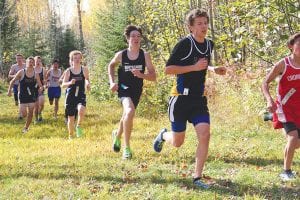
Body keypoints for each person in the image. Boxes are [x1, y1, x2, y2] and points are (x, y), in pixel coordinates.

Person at [152, 9, 226, 189]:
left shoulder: (209, 45)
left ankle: (197, 177)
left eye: (205, 23)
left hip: (198, 99)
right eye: (199, 23)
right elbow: (168, 70)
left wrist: (213, 69)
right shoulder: (184, 44)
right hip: (180, 99)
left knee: (205, 134)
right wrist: (193, 67)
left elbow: (203, 65)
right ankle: (163, 135)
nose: (203, 27)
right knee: (178, 142)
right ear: (191, 27)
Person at [108, 25, 156, 159]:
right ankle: (127, 148)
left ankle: (117, 135)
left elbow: (153, 76)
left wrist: (142, 75)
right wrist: (112, 82)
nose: (136, 38)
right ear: (128, 39)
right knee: (129, 111)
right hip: (123, 88)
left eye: (138, 36)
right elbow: (111, 65)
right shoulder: (121, 55)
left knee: (127, 115)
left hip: (137, 90)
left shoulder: (145, 55)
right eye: (133, 36)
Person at [262, 32, 300, 181]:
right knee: (293, 137)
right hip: (285, 108)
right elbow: (265, 83)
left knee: (296, 143)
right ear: (291, 46)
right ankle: (286, 171)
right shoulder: (283, 64)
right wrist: (269, 100)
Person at [7, 57, 43, 133]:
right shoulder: (21, 72)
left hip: (31, 96)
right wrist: (9, 90)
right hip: (23, 96)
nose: (31, 63)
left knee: (30, 113)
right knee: (24, 114)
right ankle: (24, 119)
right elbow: (12, 81)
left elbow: (40, 84)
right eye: (29, 62)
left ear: (34, 64)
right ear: (26, 63)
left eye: (32, 62)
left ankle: (26, 128)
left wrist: (41, 88)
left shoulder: (36, 74)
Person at [62, 50, 90, 139]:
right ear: (72, 59)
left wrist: (87, 83)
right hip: (70, 96)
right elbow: (63, 85)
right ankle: (71, 135)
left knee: (81, 110)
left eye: (79, 58)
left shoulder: (84, 69)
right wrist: (70, 82)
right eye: (75, 58)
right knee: (71, 118)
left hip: (81, 94)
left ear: (81, 59)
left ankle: (78, 126)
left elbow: (87, 79)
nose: (77, 60)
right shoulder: (68, 71)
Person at [8, 54, 25, 118]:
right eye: (17, 58)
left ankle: (20, 113)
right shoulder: (14, 66)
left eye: (20, 58)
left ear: (22, 59)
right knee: (16, 96)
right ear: (16, 59)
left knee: (21, 98)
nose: (19, 60)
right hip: (15, 84)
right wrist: (16, 76)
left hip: (24, 85)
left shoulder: (26, 65)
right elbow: (9, 75)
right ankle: (16, 101)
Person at [34, 56, 46, 122]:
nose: (38, 62)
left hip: (41, 88)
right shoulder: (31, 69)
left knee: (41, 103)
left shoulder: (43, 69)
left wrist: (44, 86)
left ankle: (39, 112)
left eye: (39, 61)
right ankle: (36, 119)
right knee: (36, 105)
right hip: (33, 89)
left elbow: (45, 80)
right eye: (36, 61)